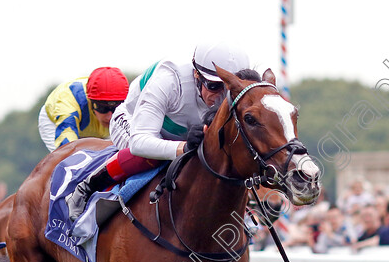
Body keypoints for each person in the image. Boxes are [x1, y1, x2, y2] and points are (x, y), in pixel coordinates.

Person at [65, 41, 250, 220]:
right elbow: (140, 142)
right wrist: (184, 147)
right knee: (152, 155)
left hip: (179, 136)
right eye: (213, 86)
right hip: (133, 124)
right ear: (196, 75)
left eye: (227, 90)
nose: (220, 97)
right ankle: (85, 188)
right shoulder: (169, 80)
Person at [38, 67, 129, 152]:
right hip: (56, 123)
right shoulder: (68, 103)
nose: (110, 116)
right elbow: (66, 148)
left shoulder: (131, 103)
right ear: (90, 101)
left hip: (95, 127)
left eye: (115, 108)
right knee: (67, 161)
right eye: (103, 108)